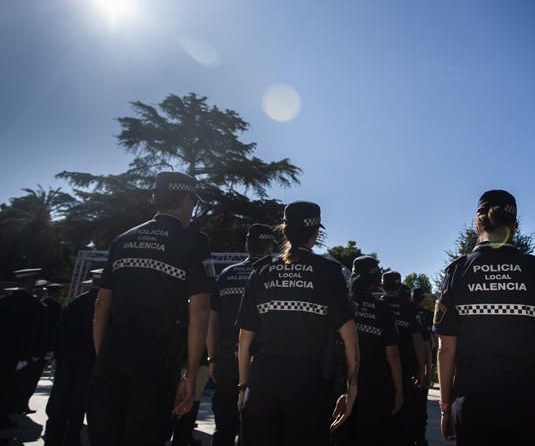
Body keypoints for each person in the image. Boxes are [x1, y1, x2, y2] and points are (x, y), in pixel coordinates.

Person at [434, 189, 535, 446]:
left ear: (477, 223)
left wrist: (446, 407)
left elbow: (445, 349)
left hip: (474, 401)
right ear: (515, 225)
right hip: (530, 400)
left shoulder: (458, 272)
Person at [87, 171, 215, 446]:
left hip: (113, 350)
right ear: (184, 200)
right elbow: (200, 311)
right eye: (192, 203)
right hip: (157, 356)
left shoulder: (123, 239)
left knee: (105, 436)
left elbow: (101, 304)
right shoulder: (193, 242)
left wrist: (103, 357)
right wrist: (191, 374)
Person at [236, 201, 359, 445]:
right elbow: (349, 336)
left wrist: (243, 386)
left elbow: (245, 337)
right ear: (315, 235)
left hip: (263, 379)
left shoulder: (261, 272)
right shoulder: (328, 273)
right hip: (308, 381)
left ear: (284, 230)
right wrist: (351, 384)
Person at [207, 223, 277, 446]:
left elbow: (212, 321)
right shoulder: (275, 275)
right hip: (263, 362)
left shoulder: (227, 274)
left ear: (247, 245)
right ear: (270, 248)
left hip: (228, 358)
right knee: (260, 429)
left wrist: (212, 357)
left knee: (224, 428)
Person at [334, 255, 403, 446]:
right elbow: (392, 354)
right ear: (375, 279)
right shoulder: (382, 309)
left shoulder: (340, 303)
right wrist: (399, 390)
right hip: (373, 387)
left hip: (339, 383)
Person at [44, 269, 103, 446]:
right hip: (90, 361)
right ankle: (71, 437)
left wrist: (58, 354)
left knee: (61, 398)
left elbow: (61, 329)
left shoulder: (76, 302)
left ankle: (53, 434)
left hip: (68, 360)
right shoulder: (105, 305)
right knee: (79, 401)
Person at [381, 271, 426, 446]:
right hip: (406, 369)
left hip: (380, 369)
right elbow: (418, 342)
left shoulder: (378, 305)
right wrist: (421, 371)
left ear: (383, 285)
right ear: (399, 287)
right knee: (403, 416)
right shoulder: (410, 308)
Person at [0, 268, 45, 427]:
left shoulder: (6, 300)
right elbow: (30, 332)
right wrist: (26, 356)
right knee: (9, 387)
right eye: (33, 281)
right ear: (27, 282)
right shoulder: (32, 303)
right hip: (16, 353)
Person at [411, 287, 434, 446]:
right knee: (420, 408)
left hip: (407, 366)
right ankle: (420, 438)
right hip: (421, 365)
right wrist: (428, 370)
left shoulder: (407, 311)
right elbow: (429, 343)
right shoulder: (429, 315)